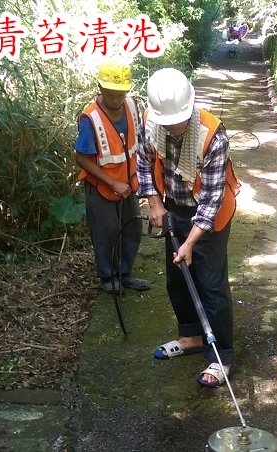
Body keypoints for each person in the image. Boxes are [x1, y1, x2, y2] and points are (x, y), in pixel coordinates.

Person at [137, 68, 240, 387]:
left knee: (210, 284)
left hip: (211, 213)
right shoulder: (149, 120)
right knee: (177, 278)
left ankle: (222, 355)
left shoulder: (212, 134)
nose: (172, 127)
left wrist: (191, 242)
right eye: (165, 122)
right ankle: (192, 337)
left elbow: (211, 200)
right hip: (174, 206)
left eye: (177, 120)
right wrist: (155, 204)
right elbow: (142, 163)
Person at [74, 60, 150, 294]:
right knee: (106, 231)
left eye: (121, 93)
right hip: (103, 186)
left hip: (129, 182)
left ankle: (125, 273)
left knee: (132, 227)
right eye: (111, 93)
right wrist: (112, 182)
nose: (117, 98)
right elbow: (82, 158)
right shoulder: (91, 118)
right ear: (100, 88)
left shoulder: (131, 106)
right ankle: (107, 277)